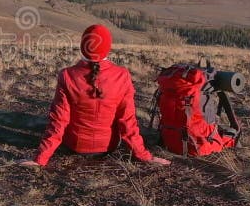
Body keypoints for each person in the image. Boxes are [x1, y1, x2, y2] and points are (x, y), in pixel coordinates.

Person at [20, 25, 170, 167]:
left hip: (74, 145)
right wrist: (144, 156)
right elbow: (127, 121)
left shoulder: (67, 75)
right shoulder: (122, 75)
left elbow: (59, 121)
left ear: (83, 46)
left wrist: (41, 158)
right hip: (108, 146)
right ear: (107, 48)